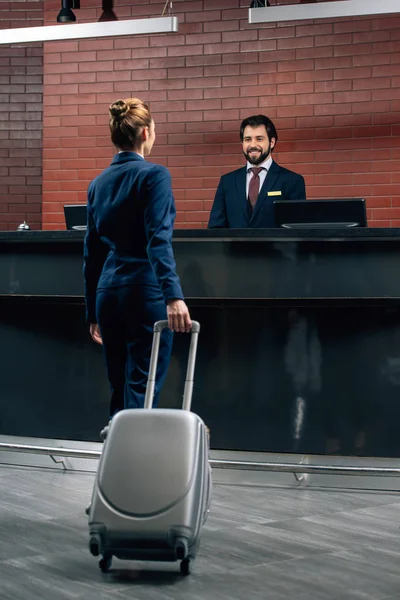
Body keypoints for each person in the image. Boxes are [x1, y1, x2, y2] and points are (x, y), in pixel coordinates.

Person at [83, 97, 192, 419]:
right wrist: (173, 296)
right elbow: (157, 240)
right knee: (141, 388)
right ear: (145, 133)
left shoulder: (97, 184)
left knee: (119, 387)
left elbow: (92, 253)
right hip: (144, 292)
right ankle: (133, 464)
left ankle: (116, 461)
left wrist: (92, 312)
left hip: (108, 295)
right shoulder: (154, 175)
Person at [208, 114, 306, 228]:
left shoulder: (292, 181)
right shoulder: (227, 182)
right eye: (247, 139)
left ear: (272, 142)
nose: (253, 145)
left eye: (259, 139)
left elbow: (297, 230)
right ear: (242, 143)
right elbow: (215, 228)